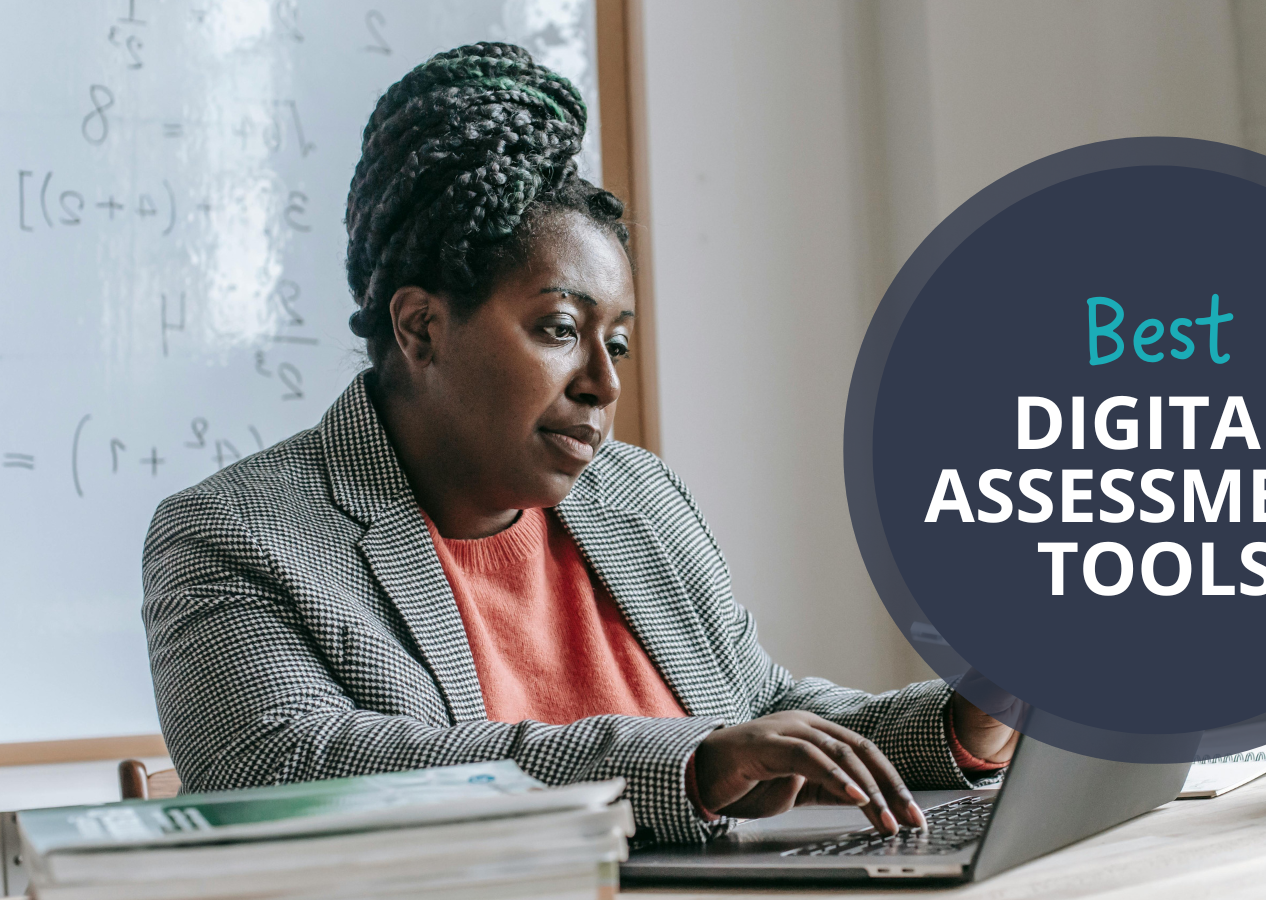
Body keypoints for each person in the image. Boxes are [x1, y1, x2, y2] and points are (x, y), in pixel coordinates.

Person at [142, 42, 1016, 844]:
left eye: (619, 342)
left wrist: (963, 719)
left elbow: (765, 713)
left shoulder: (635, 495)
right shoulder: (235, 535)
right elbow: (289, 771)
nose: (606, 382)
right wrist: (691, 763)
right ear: (421, 328)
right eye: (560, 328)